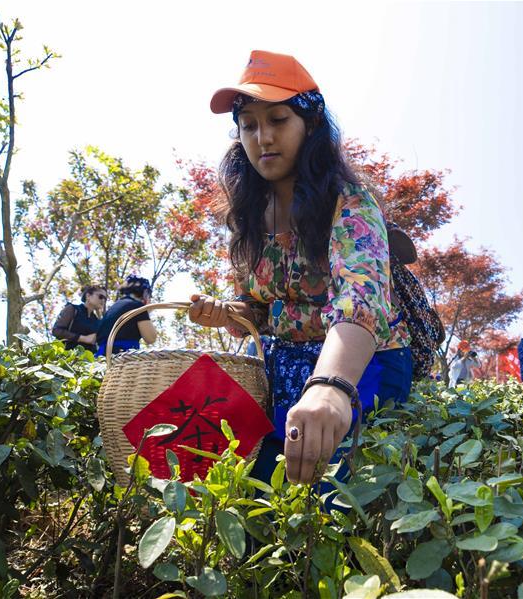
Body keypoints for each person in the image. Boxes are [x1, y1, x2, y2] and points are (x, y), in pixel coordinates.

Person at [188, 51, 413, 485]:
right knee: (249, 486)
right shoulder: (248, 217)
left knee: (333, 492)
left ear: (309, 125)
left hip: (359, 363)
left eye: (277, 119)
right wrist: (227, 312)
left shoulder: (348, 201)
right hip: (281, 363)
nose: (262, 137)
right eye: (249, 125)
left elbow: (360, 301)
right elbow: (256, 308)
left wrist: (331, 387)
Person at [95, 275, 157, 356]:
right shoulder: (137, 307)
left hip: (102, 356)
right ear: (145, 293)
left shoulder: (113, 307)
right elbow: (151, 338)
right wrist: (146, 312)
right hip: (122, 357)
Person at [52, 285, 106, 353]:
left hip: (89, 361)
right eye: (100, 297)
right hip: (66, 357)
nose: (103, 300)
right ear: (88, 296)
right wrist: (83, 338)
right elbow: (56, 331)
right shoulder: (72, 309)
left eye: (105, 298)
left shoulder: (97, 320)